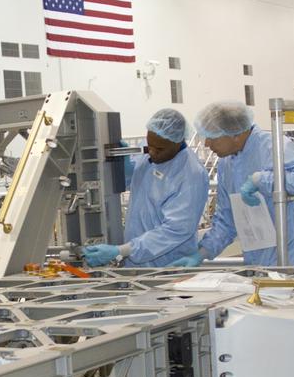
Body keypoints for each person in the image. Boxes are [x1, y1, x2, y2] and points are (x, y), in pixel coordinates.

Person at [169, 102, 294, 268]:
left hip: (289, 261)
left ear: (235, 134)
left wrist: (261, 180)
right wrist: (201, 253)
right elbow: (227, 219)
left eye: (212, 137)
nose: (206, 144)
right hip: (255, 265)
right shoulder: (227, 164)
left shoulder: (274, 147)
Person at [82, 109, 208, 268]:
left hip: (168, 264)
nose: (153, 153)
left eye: (160, 149)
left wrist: (121, 250)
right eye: (150, 146)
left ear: (177, 142)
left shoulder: (191, 174)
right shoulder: (149, 149)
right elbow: (138, 181)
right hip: (134, 259)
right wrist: (125, 169)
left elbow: (176, 230)